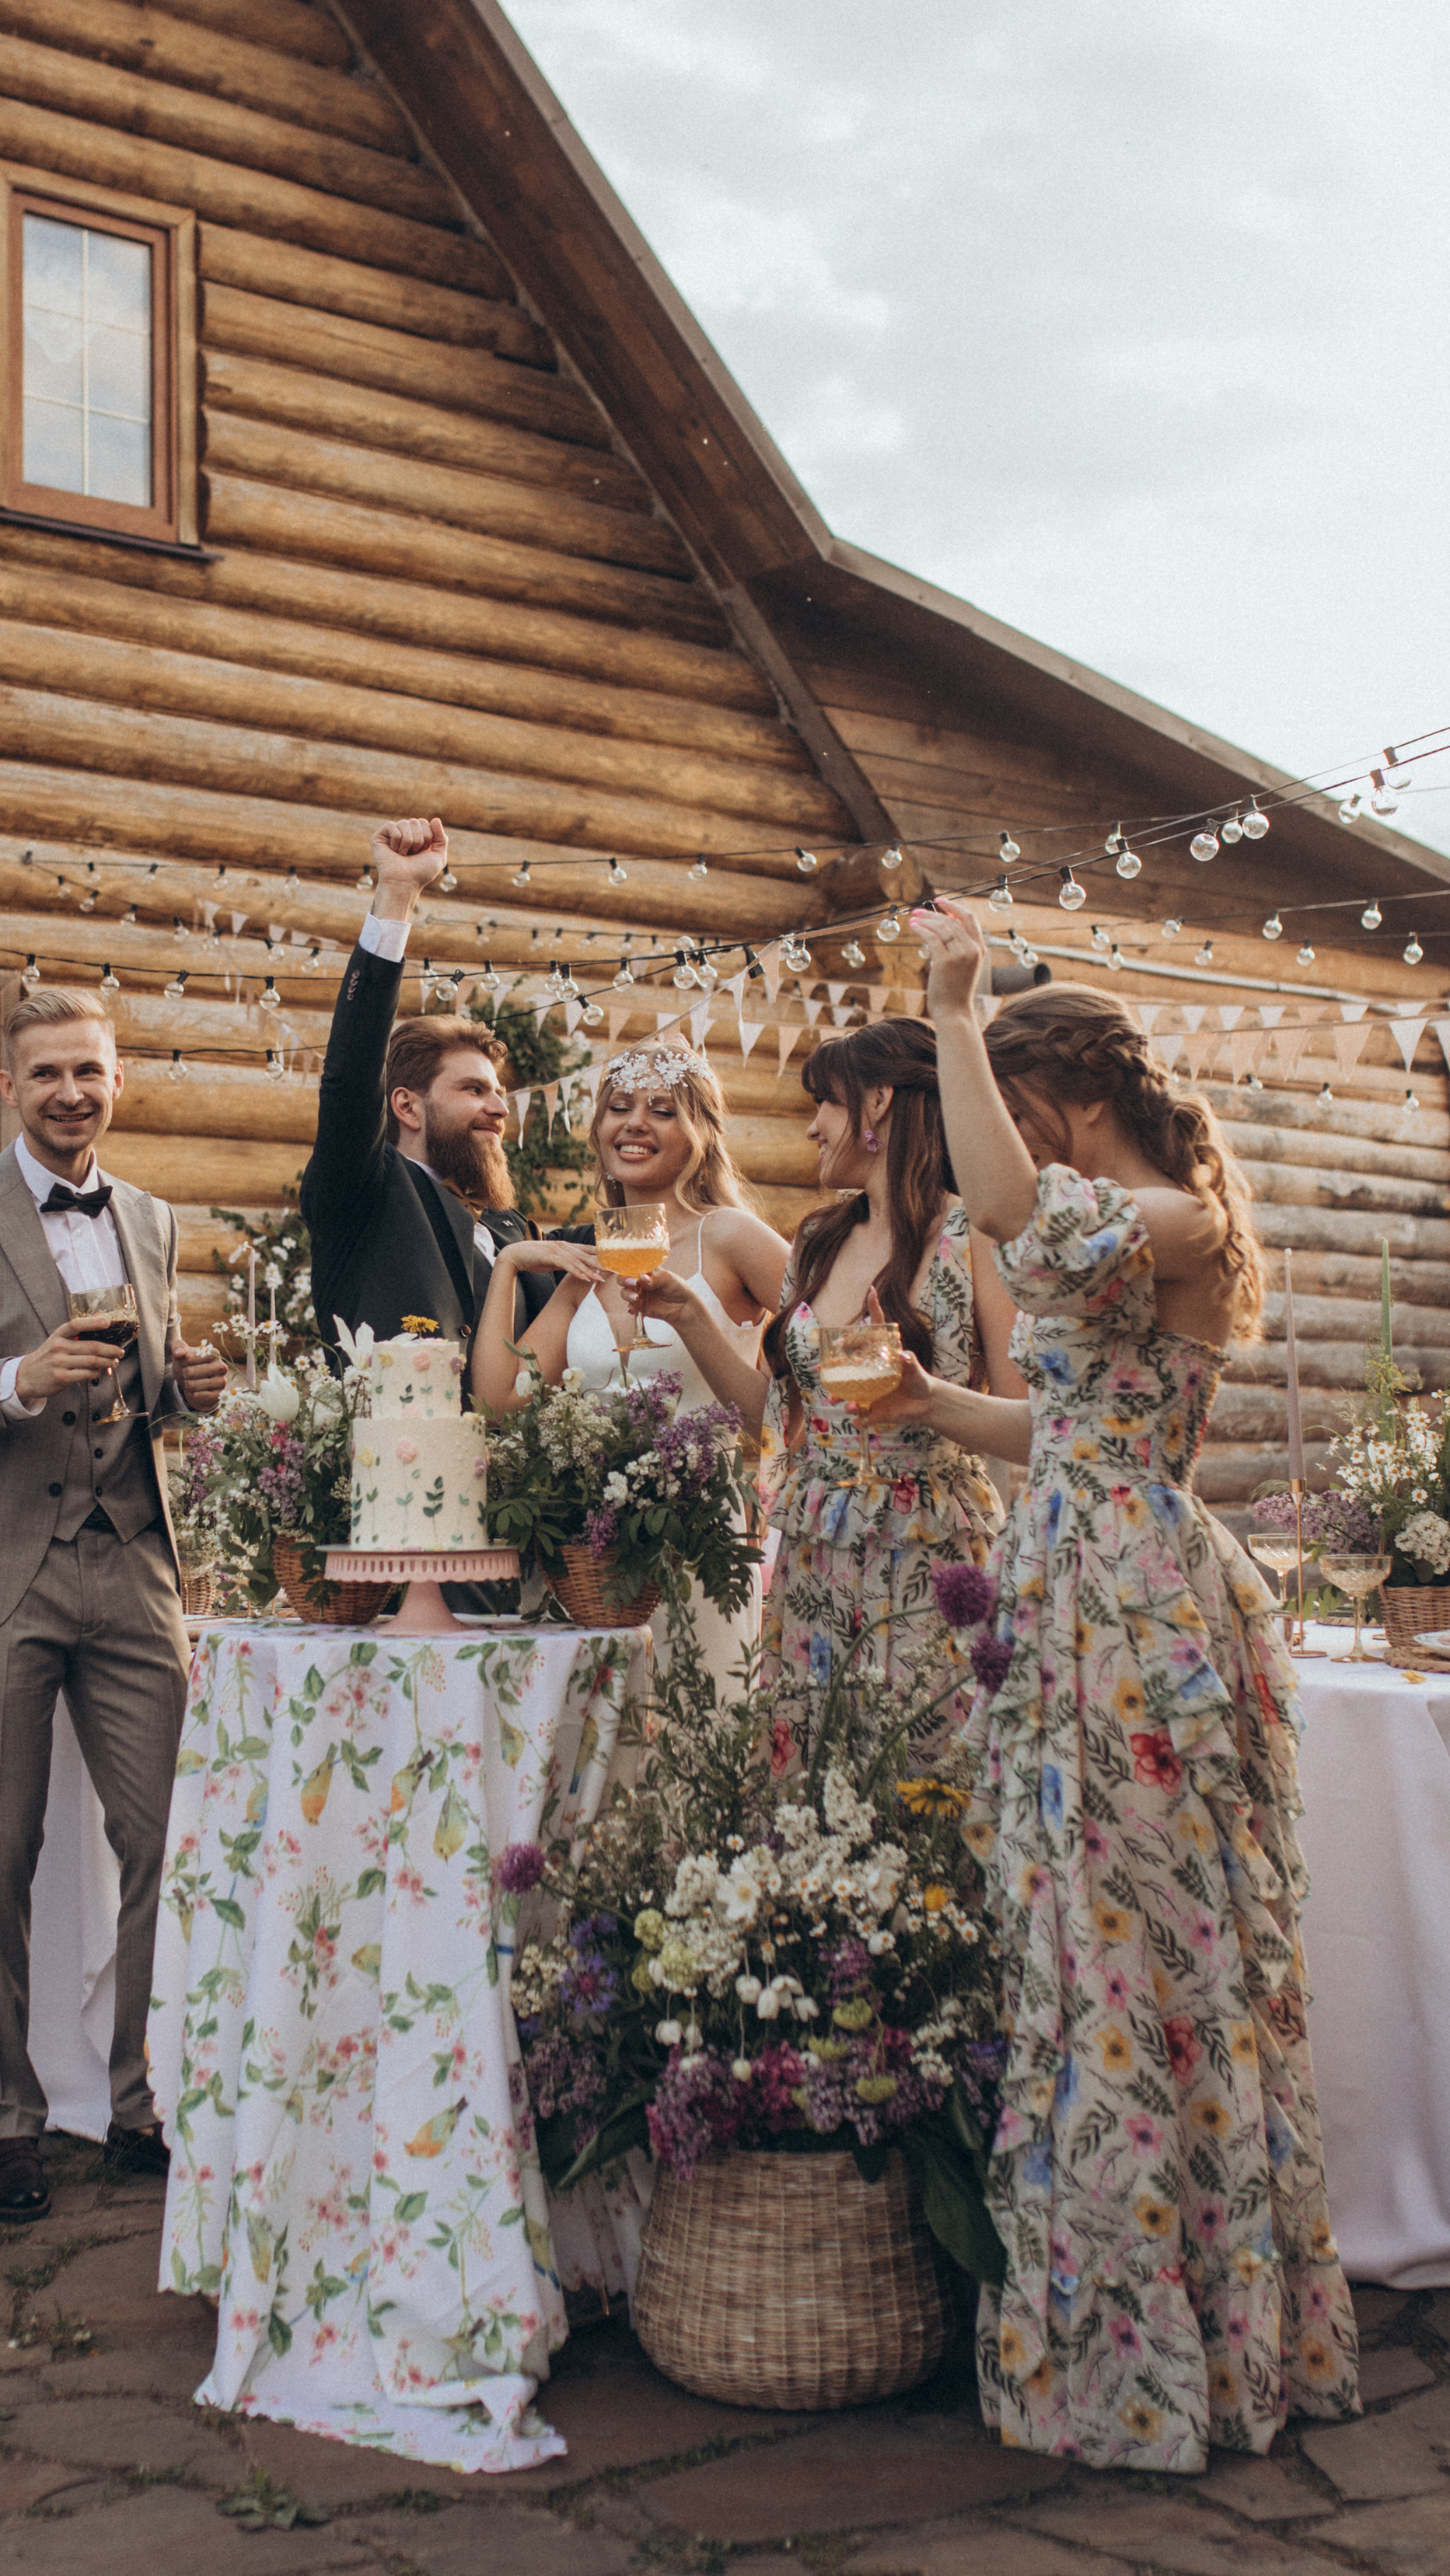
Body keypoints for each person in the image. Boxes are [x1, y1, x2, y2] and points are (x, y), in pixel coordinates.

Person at [882, 897, 1358, 2469]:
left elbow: (1014, 1220)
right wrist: (932, 1399)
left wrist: (952, 1010)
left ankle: (1164, 2357)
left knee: (1140, 1950)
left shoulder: (1166, 1223)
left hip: (1131, 1608)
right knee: (1076, 1942)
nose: (995, 1145)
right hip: (1083, 1575)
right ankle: (1118, 2325)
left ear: (1053, 1104)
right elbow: (1065, 1427)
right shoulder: (1111, 1224)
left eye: (1005, 1115)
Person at [0, 987, 227, 2225]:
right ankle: (4, 2119)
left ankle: (148, 2099)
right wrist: (16, 1381)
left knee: (169, 1844)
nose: (70, 1093)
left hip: (131, 1560)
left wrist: (189, 1388)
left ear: (115, 1082)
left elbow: (147, 1397)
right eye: (46, 1076)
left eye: (90, 1071)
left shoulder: (152, 1215)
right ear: (11, 1089)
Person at [470, 1036, 789, 1693]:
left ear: (699, 1130)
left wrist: (697, 1323)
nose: (636, 1122)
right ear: (600, 1128)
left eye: (663, 1109)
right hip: (594, 1550)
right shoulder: (593, 1261)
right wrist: (508, 1266)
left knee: (697, 1733)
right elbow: (500, 1400)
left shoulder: (730, 1236)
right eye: (619, 1106)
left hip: (703, 1543)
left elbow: (803, 1386)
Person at [760, 1018, 1017, 1765]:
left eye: (825, 1105)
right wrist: (688, 1316)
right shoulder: (816, 1240)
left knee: (920, 1762)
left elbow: (1031, 1418)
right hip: (817, 1546)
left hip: (929, 1544)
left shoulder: (977, 1236)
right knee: (813, 1769)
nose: (812, 1128)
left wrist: (931, 1396)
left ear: (877, 1104)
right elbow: (776, 1418)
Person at [302, 816, 549, 1361]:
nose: (499, 1108)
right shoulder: (363, 1195)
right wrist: (397, 894)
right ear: (406, 1106)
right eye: (474, 1090)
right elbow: (349, 1074)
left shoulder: (518, 1234)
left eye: (498, 1093)